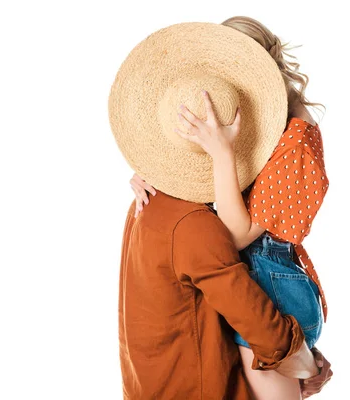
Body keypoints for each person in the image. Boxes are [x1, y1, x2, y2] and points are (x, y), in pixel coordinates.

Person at [109, 20, 332, 399]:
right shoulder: (265, 130)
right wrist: (159, 170)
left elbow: (234, 235)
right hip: (254, 283)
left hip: (272, 288)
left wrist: (221, 151)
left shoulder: (296, 142)